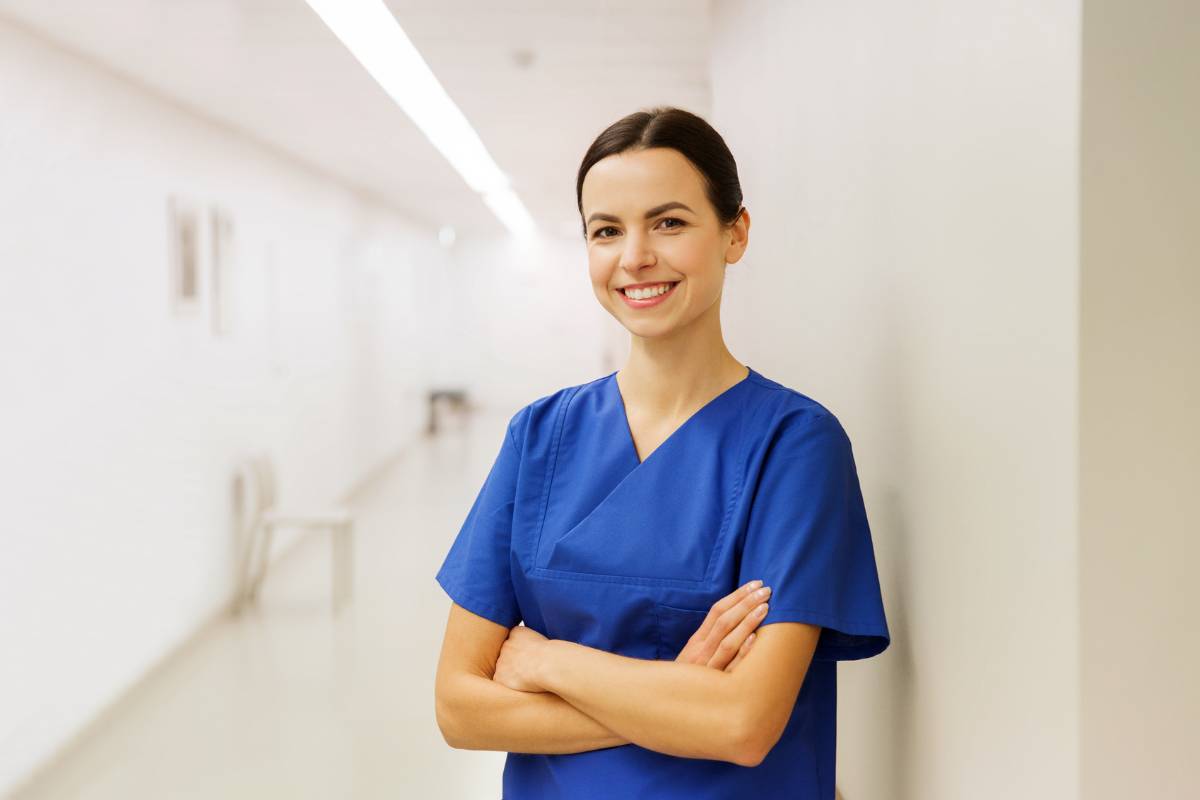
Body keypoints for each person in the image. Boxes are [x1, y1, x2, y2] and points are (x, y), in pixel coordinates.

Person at [434, 106, 890, 799]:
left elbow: (743, 722)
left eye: (669, 222)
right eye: (606, 231)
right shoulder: (539, 436)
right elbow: (459, 709)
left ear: (734, 233)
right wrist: (679, 693)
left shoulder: (795, 446)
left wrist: (550, 661)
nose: (635, 256)